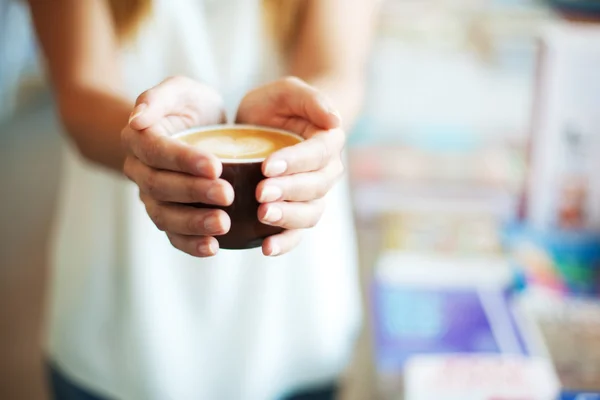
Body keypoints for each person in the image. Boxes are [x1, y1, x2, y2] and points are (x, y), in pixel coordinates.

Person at [26, 0, 377, 398]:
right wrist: (146, 146)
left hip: (289, 311)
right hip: (121, 310)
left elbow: (338, 72)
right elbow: (80, 95)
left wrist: (318, 127)